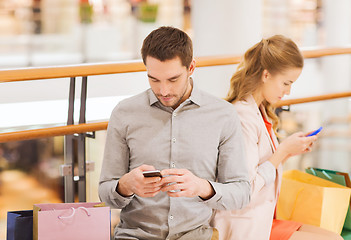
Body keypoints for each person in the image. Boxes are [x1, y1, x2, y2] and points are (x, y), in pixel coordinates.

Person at [99, 26, 251, 240]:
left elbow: (242, 193)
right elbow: (105, 193)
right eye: (154, 79)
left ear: (191, 67)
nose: (164, 91)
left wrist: (202, 187)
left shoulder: (223, 115)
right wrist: (126, 185)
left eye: (173, 79)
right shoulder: (124, 113)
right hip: (135, 235)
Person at [211, 35, 343, 240]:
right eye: (286, 83)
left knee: (334, 236)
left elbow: (262, 166)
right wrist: (282, 150)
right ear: (266, 75)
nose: (288, 91)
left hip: (262, 217)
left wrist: (288, 152)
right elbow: (245, 189)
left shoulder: (260, 110)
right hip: (245, 224)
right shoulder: (242, 117)